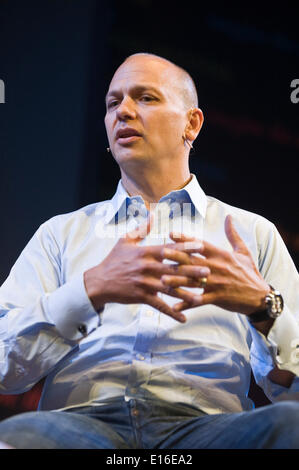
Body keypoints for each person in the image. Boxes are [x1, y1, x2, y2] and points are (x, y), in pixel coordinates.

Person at [0, 52, 299, 449]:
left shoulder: (251, 233)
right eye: (112, 103)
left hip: (208, 429)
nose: (123, 111)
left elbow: (291, 389)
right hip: (80, 427)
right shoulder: (60, 234)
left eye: (145, 98)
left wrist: (264, 310)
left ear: (191, 123)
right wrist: (90, 290)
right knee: (15, 439)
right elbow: (5, 369)